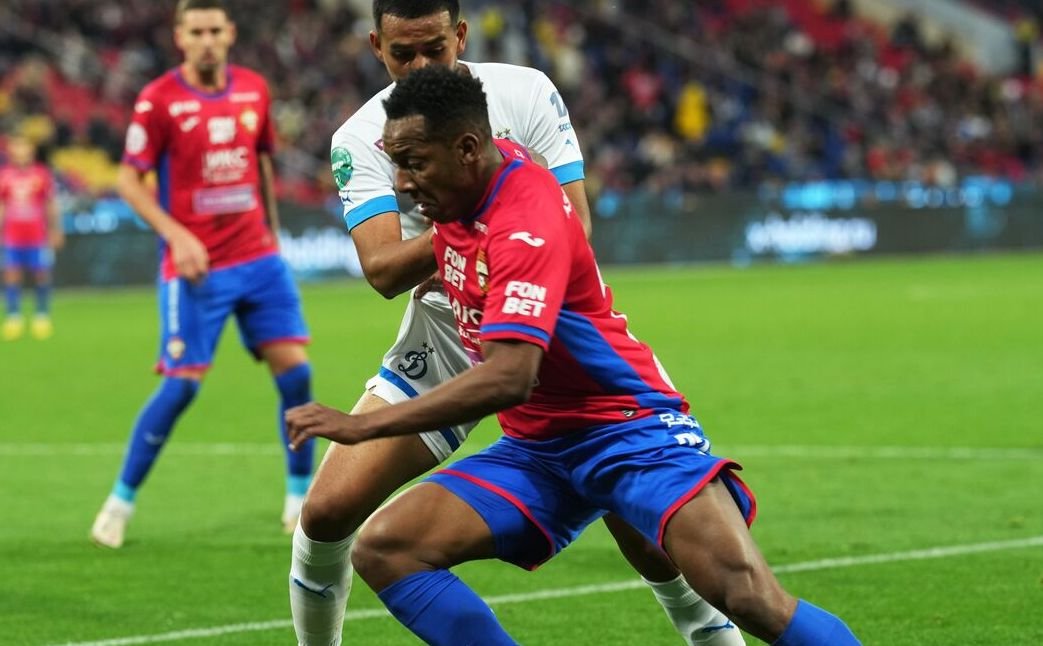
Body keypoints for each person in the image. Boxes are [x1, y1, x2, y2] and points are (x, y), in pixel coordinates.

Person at [287, 64, 862, 646]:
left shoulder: (523, 226)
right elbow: (395, 264)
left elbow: (509, 377)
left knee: (748, 596)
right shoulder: (469, 183)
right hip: (539, 447)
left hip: (627, 430)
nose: (403, 184)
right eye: (397, 163)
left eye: (414, 164)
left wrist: (365, 426)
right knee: (386, 548)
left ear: (466, 150)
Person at [89, 0, 315, 549]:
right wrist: (178, 236)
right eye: (197, 32)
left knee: (297, 376)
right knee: (181, 387)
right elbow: (128, 181)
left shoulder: (254, 90)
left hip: (258, 259)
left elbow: (262, 162)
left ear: (230, 33)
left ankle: (300, 500)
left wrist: (273, 234)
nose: (208, 40)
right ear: (180, 38)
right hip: (197, 268)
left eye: (215, 29)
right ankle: (118, 504)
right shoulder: (158, 100)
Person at [0, 133, 63, 341]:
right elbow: (2, 206)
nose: (21, 151)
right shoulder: (4, 175)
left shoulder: (41, 174)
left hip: (37, 235)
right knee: (11, 274)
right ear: (11, 151)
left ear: (31, 150)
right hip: (12, 236)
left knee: (42, 273)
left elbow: (50, 204)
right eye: (17, 147)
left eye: (24, 146)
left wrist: (55, 229)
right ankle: (13, 317)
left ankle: (42, 316)